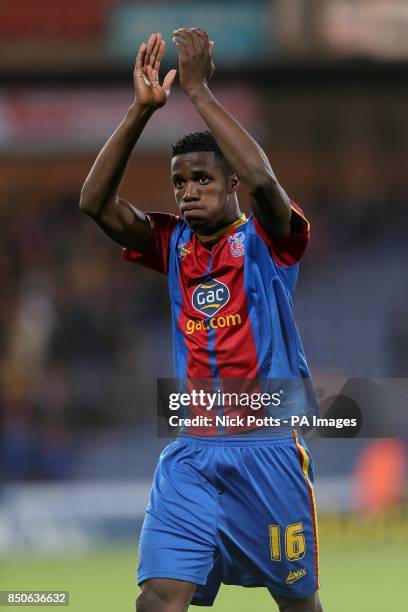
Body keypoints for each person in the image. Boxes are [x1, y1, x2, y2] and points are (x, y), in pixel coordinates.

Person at [80, 28, 322, 612]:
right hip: (192, 448)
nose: (187, 191)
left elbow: (265, 182)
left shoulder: (269, 240)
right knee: (158, 599)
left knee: (296, 603)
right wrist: (141, 111)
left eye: (202, 179)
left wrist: (199, 89)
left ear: (231, 185)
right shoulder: (173, 243)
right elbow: (94, 203)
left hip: (267, 446)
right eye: (179, 182)